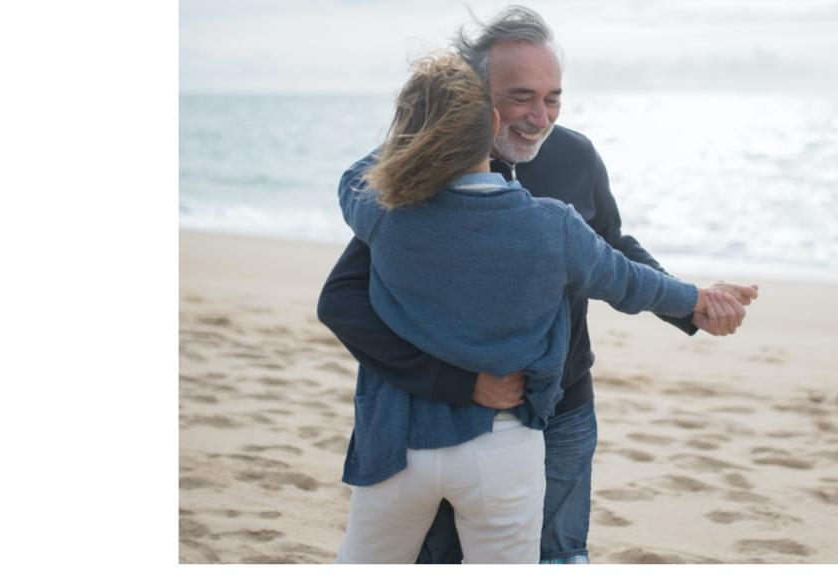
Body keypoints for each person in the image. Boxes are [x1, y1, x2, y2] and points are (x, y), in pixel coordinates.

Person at [319, 6, 758, 564]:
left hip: (564, 403)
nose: (539, 116)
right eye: (522, 95)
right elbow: (342, 301)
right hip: (441, 413)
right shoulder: (415, 176)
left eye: (553, 97)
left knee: (560, 555)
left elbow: (611, 250)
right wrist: (457, 383)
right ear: (473, 94)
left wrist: (689, 302)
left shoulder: (576, 154)